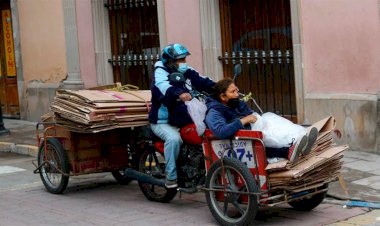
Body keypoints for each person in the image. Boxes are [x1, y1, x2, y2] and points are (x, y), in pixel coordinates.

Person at [205, 78, 318, 163]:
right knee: (272, 134)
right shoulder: (214, 112)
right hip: (241, 139)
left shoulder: (236, 104)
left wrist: (253, 119)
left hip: (253, 128)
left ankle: (301, 138)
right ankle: (294, 144)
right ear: (223, 97)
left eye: (237, 90)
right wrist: (243, 121)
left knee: (273, 121)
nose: (237, 94)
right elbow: (220, 131)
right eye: (232, 92)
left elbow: (250, 115)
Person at [149, 43, 215, 188]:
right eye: (180, 60)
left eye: (184, 59)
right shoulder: (160, 72)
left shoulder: (185, 70)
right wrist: (180, 94)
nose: (184, 63)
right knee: (173, 139)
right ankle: (171, 177)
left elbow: (202, 80)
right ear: (170, 62)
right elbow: (162, 87)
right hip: (162, 121)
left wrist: (223, 88)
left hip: (181, 119)